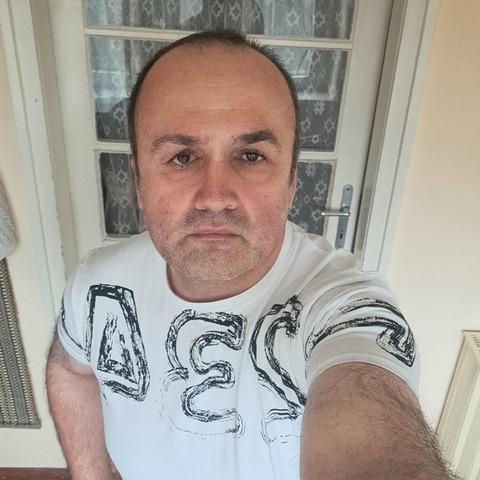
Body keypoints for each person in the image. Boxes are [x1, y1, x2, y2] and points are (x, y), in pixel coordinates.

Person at [46, 30, 458, 480]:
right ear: (139, 181)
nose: (214, 197)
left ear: (292, 182)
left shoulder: (342, 311)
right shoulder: (99, 282)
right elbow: (70, 369)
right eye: (182, 157)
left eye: (250, 156)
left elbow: (369, 428)